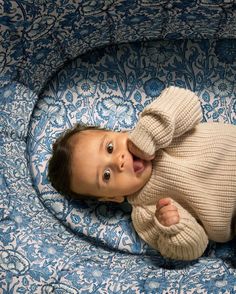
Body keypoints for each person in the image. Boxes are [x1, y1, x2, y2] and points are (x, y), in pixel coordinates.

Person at [48, 86, 236, 261]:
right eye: (106, 175)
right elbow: (195, 249)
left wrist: (148, 135)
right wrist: (175, 228)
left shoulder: (155, 130)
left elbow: (188, 102)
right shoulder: (147, 213)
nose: (118, 161)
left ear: (120, 132)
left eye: (110, 147)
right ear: (113, 197)